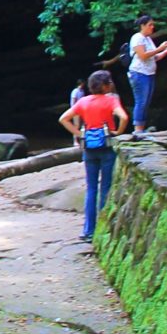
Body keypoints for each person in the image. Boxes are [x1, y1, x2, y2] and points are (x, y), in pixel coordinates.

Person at [59, 69, 129, 242]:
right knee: (105, 188)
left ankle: (88, 230)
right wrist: (117, 132)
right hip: (106, 147)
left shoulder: (83, 101)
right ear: (105, 86)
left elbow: (63, 118)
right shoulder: (111, 100)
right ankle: (102, 229)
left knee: (91, 189)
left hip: (89, 148)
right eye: (109, 82)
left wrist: (79, 134)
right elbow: (124, 118)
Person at [125, 15, 167, 136]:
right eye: (150, 25)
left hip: (150, 73)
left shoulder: (148, 39)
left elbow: (154, 57)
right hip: (139, 73)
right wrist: (160, 48)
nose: (152, 27)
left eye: (153, 25)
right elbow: (143, 55)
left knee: (146, 101)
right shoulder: (137, 37)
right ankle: (137, 129)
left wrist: (166, 51)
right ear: (142, 26)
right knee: (141, 101)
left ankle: (141, 128)